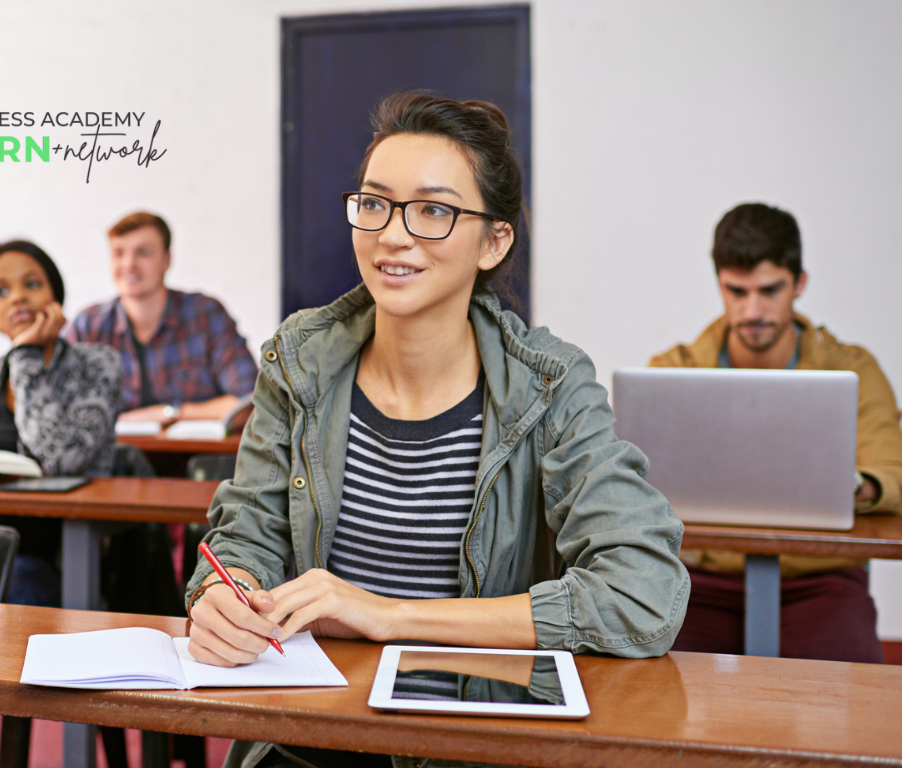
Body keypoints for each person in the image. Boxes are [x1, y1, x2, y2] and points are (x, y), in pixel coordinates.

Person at [184, 92, 689, 768]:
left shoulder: (551, 386)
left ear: (494, 241)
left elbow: (642, 592)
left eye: (434, 211)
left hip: (476, 744)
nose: (393, 235)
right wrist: (227, 589)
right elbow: (246, 532)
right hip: (308, 737)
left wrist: (392, 616)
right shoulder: (300, 361)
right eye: (374, 203)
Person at [650, 202, 902, 663]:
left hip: (819, 580)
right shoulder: (675, 370)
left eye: (769, 290)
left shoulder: (852, 369)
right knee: (645, 690)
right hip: (701, 581)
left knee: (852, 708)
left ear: (799, 284)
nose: (752, 309)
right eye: (736, 291)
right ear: (719, 283)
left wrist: (857, 487)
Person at [0, 240, 122, 607]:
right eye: (1, 291)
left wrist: (26, 356)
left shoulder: (97, 365)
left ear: (55, 295)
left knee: (15, 584)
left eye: (31, 284)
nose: (17, 297)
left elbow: (58, 458)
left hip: (59, 550)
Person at [62, 211, 258, 423]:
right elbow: (54, 403)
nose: (129, 264)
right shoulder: (88, 326)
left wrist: (166, 414)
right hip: (116, 455)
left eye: (143, 253)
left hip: (198, 454)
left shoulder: (206, 315)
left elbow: (248, 403)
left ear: (166, 260)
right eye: (119, 253)